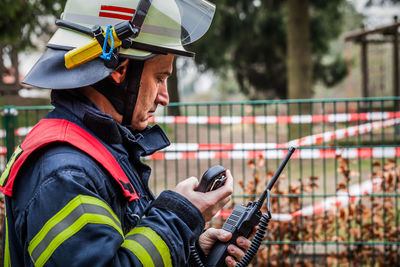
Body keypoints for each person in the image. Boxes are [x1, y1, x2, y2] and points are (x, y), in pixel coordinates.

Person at [0, 0, 251, 266]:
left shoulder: (98, 151)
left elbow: (127, 249)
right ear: (120, 70)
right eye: (159, 78)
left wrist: (194, 254)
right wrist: (179, 217)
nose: (164, 97)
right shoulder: (64, 173)